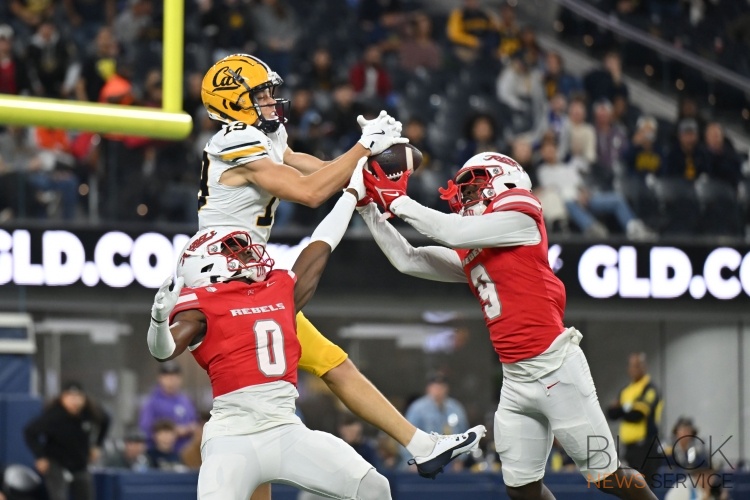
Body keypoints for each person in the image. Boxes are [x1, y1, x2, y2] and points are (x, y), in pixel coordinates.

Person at [193, 53, 485, 497]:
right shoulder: (231, 141)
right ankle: (419, 442)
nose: (271, 100)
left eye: (271, 91)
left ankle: (421, 443)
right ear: (233, 104)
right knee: (272, 395)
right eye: (260, 94)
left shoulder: (260, 136)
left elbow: (297, 161)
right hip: (221, 280)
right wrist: (363, 149)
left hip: (248, 276)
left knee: (330, 365)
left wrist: (361, 171)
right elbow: (309, 193)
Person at [357, 153, 658, 499]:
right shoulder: (477, 242)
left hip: (554, 368)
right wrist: (368, 209)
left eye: (472, 188)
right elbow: (408, 259)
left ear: (504, 180)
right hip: (514, 378)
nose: (465, 199)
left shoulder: (522, 212)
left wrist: (398, 200)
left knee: (607, 477)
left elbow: (451, 231)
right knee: (521, 489)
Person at [147, 167, 397, 499]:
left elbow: (321, 244)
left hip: (285, 429)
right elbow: (162, 351)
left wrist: (350, 194)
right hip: (231, 438)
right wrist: (158, 321)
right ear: (207, 264)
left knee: (374, 488)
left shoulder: (277, 288)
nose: (251, 253)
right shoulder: (201, 305)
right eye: (237, 250)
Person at [23, 381, 110, 500]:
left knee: (86, 495)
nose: (74, 401)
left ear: (84, 398)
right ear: (63, 398)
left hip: (80, 463)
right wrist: (40, 456)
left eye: (78, 397)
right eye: (70, 397)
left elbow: (106, 421)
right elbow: (30, 432)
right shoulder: (54, 416)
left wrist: (97, 445)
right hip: (57, 463)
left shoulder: (89, 413)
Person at [608, 352, 663, 487]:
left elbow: (637, 414)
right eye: (632, 366)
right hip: (629, 449)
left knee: (645, 489)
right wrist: (628, 408)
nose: (634, 369)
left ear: (645, 367)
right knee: (630, 489)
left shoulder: (651, 389)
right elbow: (611, 413)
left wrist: (622, 408)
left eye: (638, 365)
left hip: (646, 448)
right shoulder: (625, 390)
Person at [402, 373, 470, 472]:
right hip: (424, 460)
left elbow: (466, 435)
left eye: (442, 387)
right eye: (435, 386)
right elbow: (405, 436)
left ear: (447, 388)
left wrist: (461, 459)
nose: (438, 390)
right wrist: (411, 462)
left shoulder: (455, 408)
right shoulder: (417, 409)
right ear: (428, 388)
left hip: (451, 463)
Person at [138, 360, 198, 453]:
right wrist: (170, 432)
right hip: (158, 456)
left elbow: (195, 423)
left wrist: (188, 429)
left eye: (174, 375)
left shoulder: (186, 401)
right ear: (160, 378)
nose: (171, 379)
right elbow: (145, 429)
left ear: (180, 378)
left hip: (185, 455)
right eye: (167, 376)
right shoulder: (152, 402)